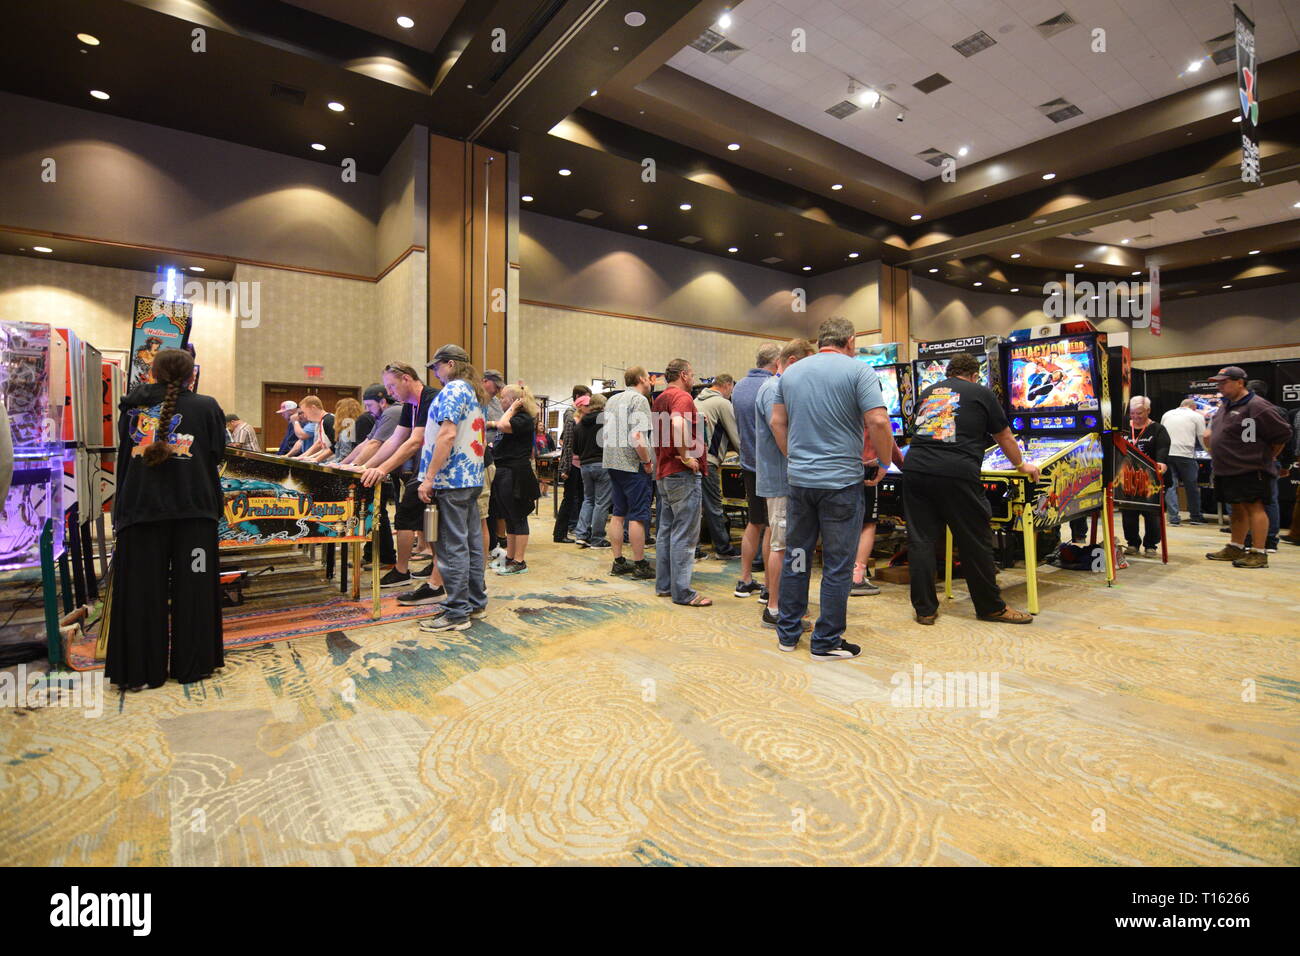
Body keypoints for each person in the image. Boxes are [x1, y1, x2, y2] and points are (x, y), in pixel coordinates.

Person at [769, 317, 894, 659]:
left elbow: (777, 421)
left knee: (797, 556)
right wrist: (884, 463)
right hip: (840, 482)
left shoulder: (791, 373)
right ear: (850, 341)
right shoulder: (859, 371)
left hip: (800, 483)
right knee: (838, 564)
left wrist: (792, 456)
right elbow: (879, 420)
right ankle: (826, 641)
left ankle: (788, 632)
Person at [106, 348, 225, 689]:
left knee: (141, 591)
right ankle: (194, 664)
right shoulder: (206, 407)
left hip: (141, 513)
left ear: (152, 373)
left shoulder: (130, 407)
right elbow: (216, 454)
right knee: (196, 587)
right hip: (194, 516)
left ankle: (139, 671)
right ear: (192, 376)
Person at [901, 350, 1039, 626]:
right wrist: (1022, 465)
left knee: (921, 540)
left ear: (948, 373)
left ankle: (925, 610)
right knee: (975, 540)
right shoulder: (980, 392)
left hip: (915, 469)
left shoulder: (927, 392)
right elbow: (1003, 436)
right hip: (956, 472)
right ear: (975, 375)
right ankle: (991, 607)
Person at [416, 345, 489, 631]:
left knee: (450, 547)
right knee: (470, 544)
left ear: (449, 364)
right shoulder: (474, 391)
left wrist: (429, 477)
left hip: (451, 479)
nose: (435, 373)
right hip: (471, 478)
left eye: (436, 367)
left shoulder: (453, 390)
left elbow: (446, 435)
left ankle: (456, 612)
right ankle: (474, 602)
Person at [359, 363, 444, 595]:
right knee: (427, 521)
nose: (389, 392)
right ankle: (430, 568)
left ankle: (420, 571)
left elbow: (415, 441)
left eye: (391, 386)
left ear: (407, 379)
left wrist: (382, 469)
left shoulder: (431, 397)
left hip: (441, 470)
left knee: (426, 520)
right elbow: (394, 440)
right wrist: (366, 466)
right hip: (426, 469)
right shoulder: (409, 405)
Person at [1204, 367, 1292, 568]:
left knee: (1255, 507)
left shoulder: (1257, 406)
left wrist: (1268, 457)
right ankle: (1236, 546)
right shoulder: (1225, 405)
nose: (1220, 387)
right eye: (1218, 383)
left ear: (1239, 382)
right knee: (1236, 508)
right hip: (1227, 468)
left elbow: (1282, 434)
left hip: (1251, 468)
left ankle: (1259, 552)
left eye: (1224, 382)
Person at [754, 339, 815, 628]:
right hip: (781, 478)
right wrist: (796, 458)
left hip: (785, 477)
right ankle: (775, 608)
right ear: (791, 361)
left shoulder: (779, 386)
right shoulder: (773, 388)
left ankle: (782, 600)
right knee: (781, 545)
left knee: (783, 542)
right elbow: (779, 427)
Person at [653, 358, 711, 606]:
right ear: (685, 375)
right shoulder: (683, 397)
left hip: (664, 472)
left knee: (666, 531)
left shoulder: (659, 399)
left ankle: (665, 585)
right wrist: (687, 456)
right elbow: (677, 423)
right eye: (693, 374)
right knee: (685, 536)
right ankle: (683, 592)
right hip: (680, 473)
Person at [730, 343, 781, 600]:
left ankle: (745, 578)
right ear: (777, 362)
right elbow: (777, 426)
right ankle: (769, 589)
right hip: (770, 464)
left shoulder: (739, 386)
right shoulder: (770, 386)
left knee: (754, 521)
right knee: (772, 526)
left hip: (747, 461)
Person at [603, 367, 656, 580]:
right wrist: (647, 461)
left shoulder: (612, 400)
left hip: (612, 462)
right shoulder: (640, 400)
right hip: (633, 465)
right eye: (649, 378)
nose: (652, 381)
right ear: (642, 379)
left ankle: (618, 561)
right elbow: (637, 436)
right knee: (638, 516)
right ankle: (640, 563)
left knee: (618, 513)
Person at [341, 384, 401, 567]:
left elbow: (375, 444)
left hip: (399, 471)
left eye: (369, 405)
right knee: (371, 512)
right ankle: (372, 555)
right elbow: (365, 443)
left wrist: (354, 466)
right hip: (386, 469)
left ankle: (385, 558)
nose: (367, 410)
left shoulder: (393, 412)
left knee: (379, 513)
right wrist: (343, 465)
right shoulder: (383, 414)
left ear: (382, 401)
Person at [488, 383, 541, 574]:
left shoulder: (524, 419)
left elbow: (502, 425)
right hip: (504, 471)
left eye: (503, 398)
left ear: (513, 401)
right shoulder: (514, 417)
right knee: (509, 517)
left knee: (517, 517)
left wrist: (512, 408)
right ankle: (510, 557)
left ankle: (519, 560)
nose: (500, 401)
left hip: (516, 473)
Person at [854, 414, 906, 596]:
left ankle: (839, 574)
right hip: (867, 469)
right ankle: (856, 577)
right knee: (868, 524)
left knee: (843, 523)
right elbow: (886, 439)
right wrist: (902, 465)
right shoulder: (872, 411)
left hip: (839, 468)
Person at [1241, 379, 1293, 554]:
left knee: (1249, 502)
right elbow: (1286, 439)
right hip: (1268, 460)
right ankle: (1270, 541)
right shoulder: (1278, 411)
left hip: (1244, 461)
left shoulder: (1240, 410)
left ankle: (1249, 540)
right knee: (1269, 500)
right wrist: (1283, 461)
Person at [694, 374, 740, 559]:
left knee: (696, 507)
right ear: (728, 385)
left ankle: (695, 548)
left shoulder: (697, 399)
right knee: (714, 506)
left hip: (693, 459)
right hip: (709, 460)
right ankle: (723, 548)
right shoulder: (722, 403)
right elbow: (736, 436)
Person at [1120, 396, 1170, 556]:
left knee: (1151, 513)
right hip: (1127, 478)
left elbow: (1162, 449)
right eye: (1132, 413)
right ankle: (1132, 543)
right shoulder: (1123, 427)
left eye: (1139, 413)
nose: (1135, 417)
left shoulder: (1157, 429)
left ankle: (1151, 545)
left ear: (1148, 411)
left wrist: (1161, 463)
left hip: (1149, 479)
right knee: (1128, 513)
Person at [552, 385, 591, 543]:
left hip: (581, 465)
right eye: (588, 406)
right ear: (581, 406)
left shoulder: (582, 422)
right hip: (572, 466)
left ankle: (577, 531)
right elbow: (567, 446)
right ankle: (559, 534)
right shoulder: (572, 421)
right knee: (568, 500)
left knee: (580, 499)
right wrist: (565, 469)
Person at [573, 393, 612, 548]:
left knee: (588, 500)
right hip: (602, 464)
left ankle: (581, 534)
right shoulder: (606, 420)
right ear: (603, 406)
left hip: (584, 466)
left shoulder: (580, 424)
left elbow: (575, 449)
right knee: (601, 503)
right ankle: (597, 538)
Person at [1160, 398, 1207, 525]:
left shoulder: (1167, 414)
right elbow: (1203, 436)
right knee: (1191, 486)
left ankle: (1173, 518)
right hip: (1185, 455)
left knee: (1170, 486)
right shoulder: (1196, 415)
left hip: (1167, 453)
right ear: (1193, 407)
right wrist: (1209, 451)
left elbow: (1161, 434)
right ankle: (1196, 517)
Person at [482, 369, 508, 558]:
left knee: (494, 503)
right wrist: (493, 424)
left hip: (496, 453)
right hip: (482, 452)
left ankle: (495, 540)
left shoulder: (496, 402)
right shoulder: (477, 400)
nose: (498, 388)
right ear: (484, 382)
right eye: (495, 384)